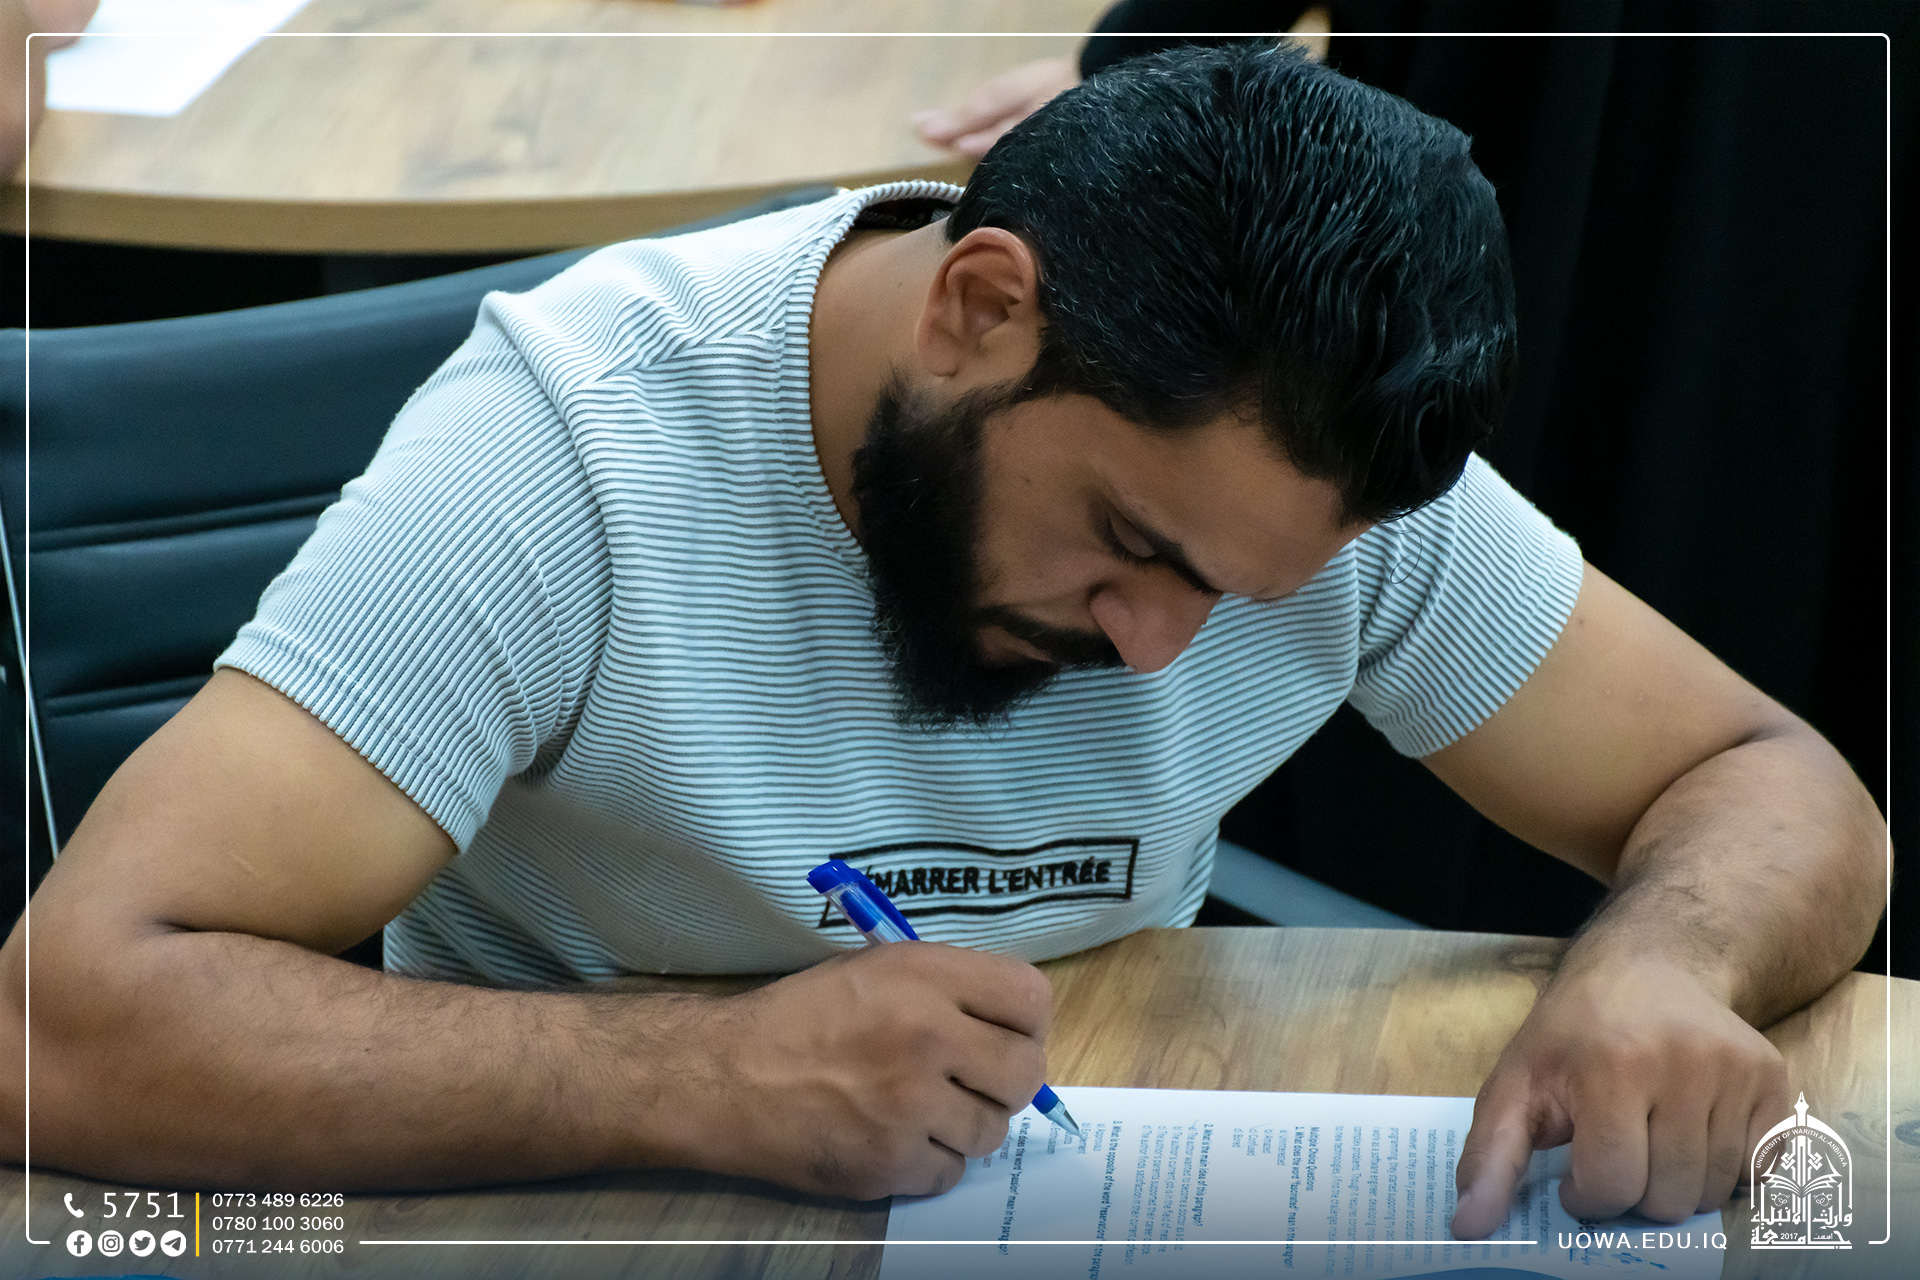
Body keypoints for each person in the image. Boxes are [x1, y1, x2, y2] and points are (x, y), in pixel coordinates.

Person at [0, 45, 1882, 1243]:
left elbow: (1769, 781)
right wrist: (697, 1078)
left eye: (1242, 595)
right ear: (980, 308)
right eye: (1131, 547)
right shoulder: (570, 458)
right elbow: (62, 1018)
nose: (1163, 649)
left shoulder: (1292, 489)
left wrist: (1667, 965)